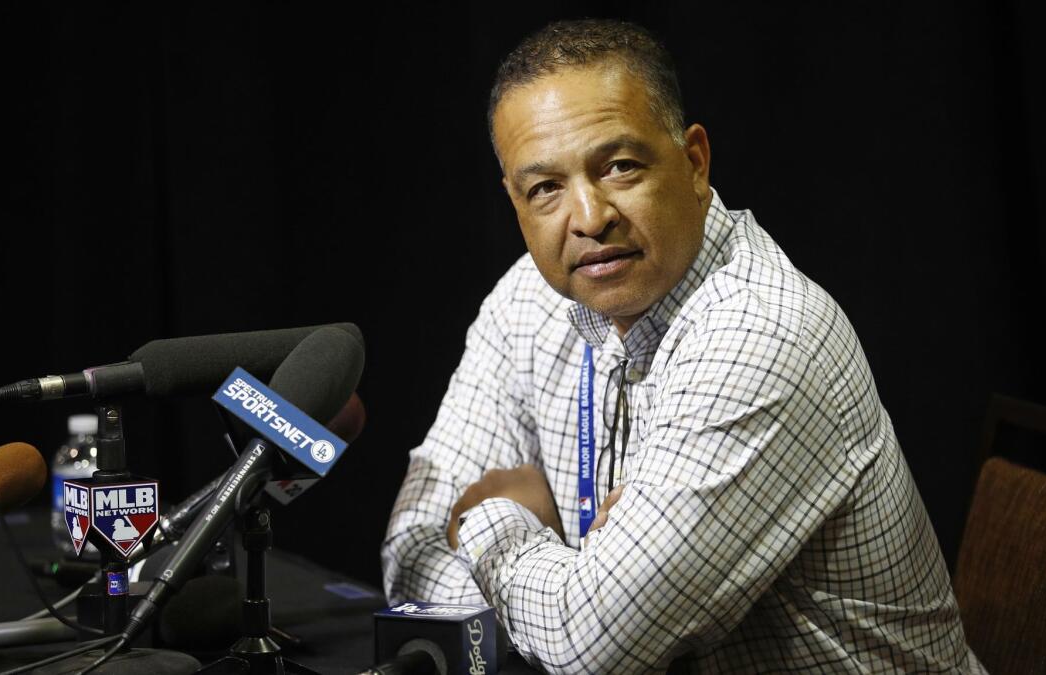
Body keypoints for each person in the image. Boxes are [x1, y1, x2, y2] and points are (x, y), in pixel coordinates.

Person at [382, 18, 985, 674]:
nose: (588, 217)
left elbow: (594, 646)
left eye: (618, 166)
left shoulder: (759, 333)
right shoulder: (530, 297)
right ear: (514, 199)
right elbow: (409, 552)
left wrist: (489, 520)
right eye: (546, 188)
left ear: (695, 162)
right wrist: (575, 578)